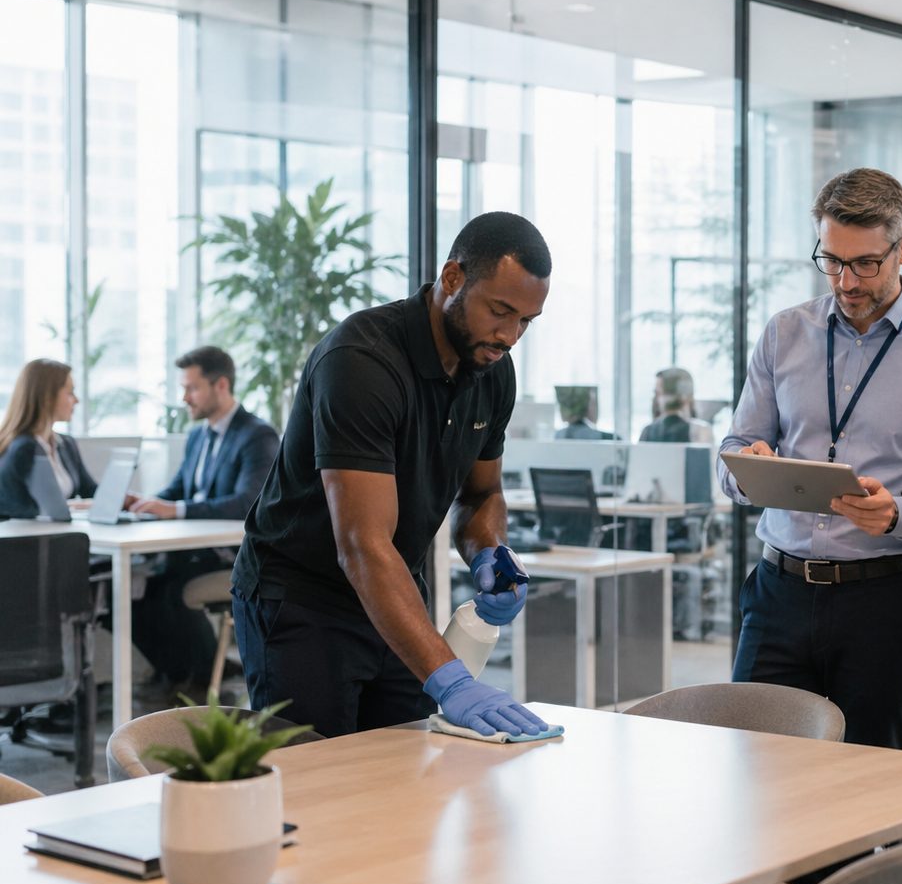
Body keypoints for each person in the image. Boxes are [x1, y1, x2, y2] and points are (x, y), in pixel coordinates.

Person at [231, 212, 552, 738]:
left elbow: (482, 491)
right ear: (452, 279)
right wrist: (452, 681)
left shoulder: (492, 371)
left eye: (525, 321)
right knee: (320, 784)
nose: (510, 336)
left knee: (403, 775)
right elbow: (361, 544)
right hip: (302, 600)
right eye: (500, 311)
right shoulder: (362, 361)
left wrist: (490, 552)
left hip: (395, 589)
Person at [719, 168, 902, 750]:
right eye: (832, 260)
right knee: (758, 773)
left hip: (880, 603)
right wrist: (751, 467)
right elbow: (734, 449)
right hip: (777, 593)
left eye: (865, 263)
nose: (846, 280)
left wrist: (898, 518)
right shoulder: (784, 332)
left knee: (873, 785)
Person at [123, 347, 280, 698]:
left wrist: (174, 510)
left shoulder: (257, 435)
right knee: (139, 591)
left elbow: (246, 503)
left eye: (192, 388)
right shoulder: (197, 436)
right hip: (191, 552)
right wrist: (145, 503)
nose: (184, 398)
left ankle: (201, 678)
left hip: (229, 556)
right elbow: (178, 489)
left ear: (220, 385)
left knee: (171, 591)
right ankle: (183, 673)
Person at [0, 359, 97, 520]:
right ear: (47, 397)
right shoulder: (21, 448)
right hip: (25, 539)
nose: (77, 400)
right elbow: (11, 508)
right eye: (70, 393)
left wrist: (127, 500)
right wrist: (70, 507)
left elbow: (90, 490)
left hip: (57, 535)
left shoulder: (66, 444)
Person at [639, 367, 713, 444]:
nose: (658, 399)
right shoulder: (648, 431)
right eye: (658, 393)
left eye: (662, 392)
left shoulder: (699, 431)